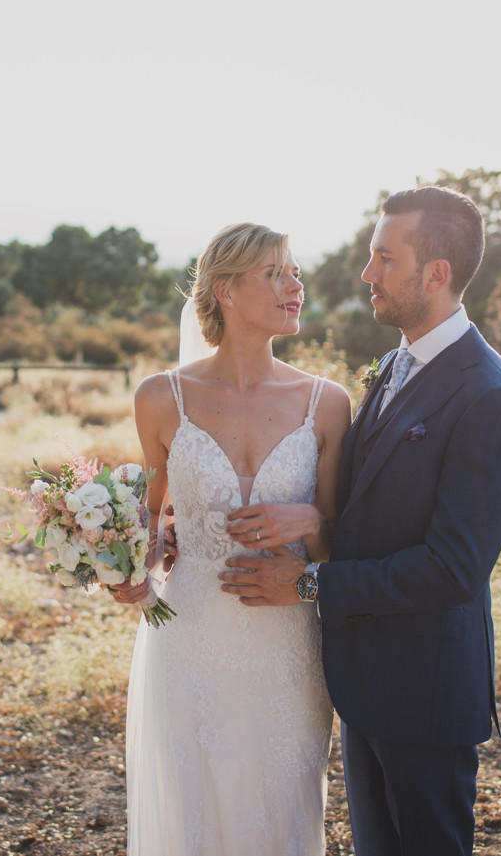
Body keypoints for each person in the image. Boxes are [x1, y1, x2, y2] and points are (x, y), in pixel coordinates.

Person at [219, 186, 501, 856]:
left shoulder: (490, 395)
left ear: (436, 274)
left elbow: (452, 568)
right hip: (366, 684)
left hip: (426, 692)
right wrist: (310, 520)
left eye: (385, 259)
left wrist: (307, 584)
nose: (367, 273)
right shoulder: (395, 364)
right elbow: (370, 510)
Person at [109, 222, 352, 856]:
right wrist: (129, 570)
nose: (295, 286)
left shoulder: (327, 404)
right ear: (226, 290)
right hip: (190, 638)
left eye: (295, 272)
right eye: (275, 274)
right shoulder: (161, 398)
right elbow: (153, 522)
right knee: (196, 808)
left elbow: (336, 542)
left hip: (287, 641)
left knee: (282, 805)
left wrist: (310, 524)